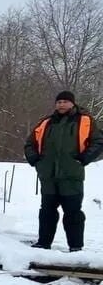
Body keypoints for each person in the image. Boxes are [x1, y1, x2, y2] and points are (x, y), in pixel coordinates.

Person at [25, 91, 103, 252]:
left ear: (72, 103)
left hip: (71, 176)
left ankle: (75, 246)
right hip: (48, 176)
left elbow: (98, 141)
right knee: (47, 212)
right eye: (59, 102)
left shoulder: (85, 120)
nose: (61, 105)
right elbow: (29, 143)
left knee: (73, 213)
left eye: (65, 102)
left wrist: (83, 159)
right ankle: (43, 243)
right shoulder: (46, 122)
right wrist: (36, 160)